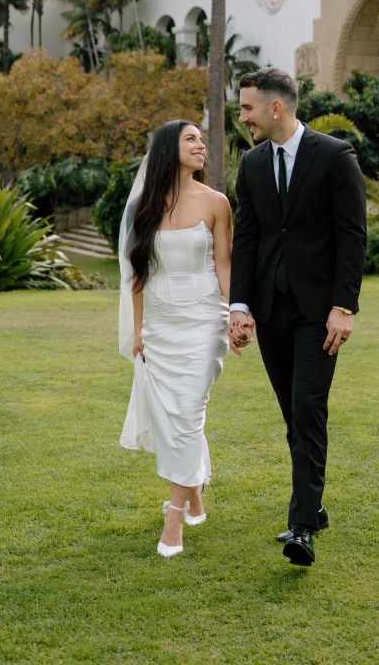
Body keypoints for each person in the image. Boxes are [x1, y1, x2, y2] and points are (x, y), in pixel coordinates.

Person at [229, 68, 366, 567]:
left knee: (308, 408)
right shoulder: (252, 164)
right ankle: (316, 503)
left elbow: (352, 235)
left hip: (320, 313)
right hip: (271, 310)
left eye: (246, 108)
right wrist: (240, 306)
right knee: (293, 413)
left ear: (275, 108)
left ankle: (302, 527)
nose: (242, 117)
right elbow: (248, 239)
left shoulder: (334, 157)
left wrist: (344, 306)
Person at [119, 120, 233, 558]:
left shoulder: (217, 203)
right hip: (160, 326)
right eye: (192, 139)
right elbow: (138, 274)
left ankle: (173, 517)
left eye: (202, 139)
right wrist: (138, 330)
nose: (201, 145)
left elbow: (224, 265)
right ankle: (195, 493)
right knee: (173, 416)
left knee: (187, 409)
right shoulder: (145, 207)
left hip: (205, 319)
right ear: (170, 149)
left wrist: (238, 313)